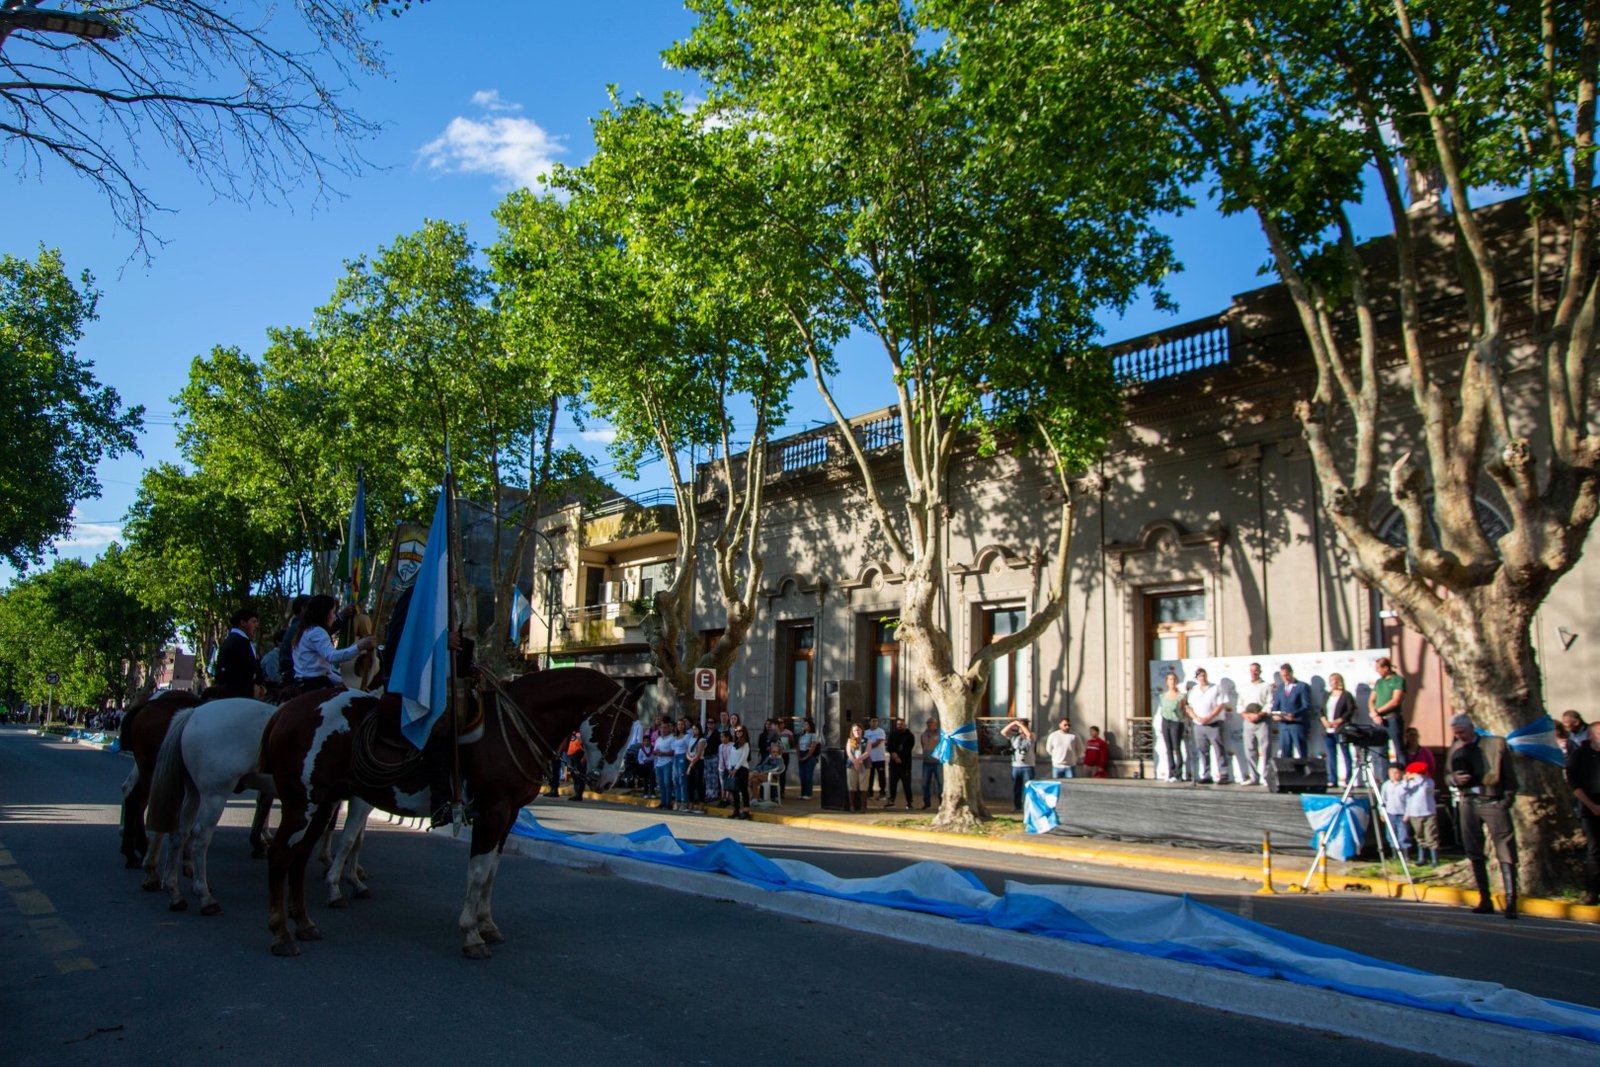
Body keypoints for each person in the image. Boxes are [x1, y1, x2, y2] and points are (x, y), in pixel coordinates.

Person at [1447, 713, 1519, 919]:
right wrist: (1454, 779)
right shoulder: (1455, 748)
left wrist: (1506, 800)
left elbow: (1509, 775)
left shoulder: (1495, 744)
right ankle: (1484, 898)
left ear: (1471, 728)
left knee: (1505, 849)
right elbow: (1447, 775)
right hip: (1468, 801)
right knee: (1474, 850)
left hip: (1492, 800)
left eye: (1462, 732)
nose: (1459, 736)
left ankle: (1511, 900)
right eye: (1456, 733)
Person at [290, 595, 375, 688]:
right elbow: (331, 656)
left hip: (304, 682)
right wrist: (359, 647)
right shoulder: (317, 631)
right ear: (325, 614)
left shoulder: (305, 630)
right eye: (333, 612)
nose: (334, 617)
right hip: (313, 684)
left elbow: (326, 671)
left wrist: (343, 682)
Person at [1565, 720, 1600, 905]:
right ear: (1591, 735)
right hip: (1591, 807)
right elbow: (1574, 784)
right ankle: (1592, 891)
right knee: (1594, 850)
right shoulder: (1580, 755)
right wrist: (1592, 806)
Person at [1185, 668, 1230, 784]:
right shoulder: (1193, 690)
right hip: (1198, 725)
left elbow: (1220, 705)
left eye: (1204, 675)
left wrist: (1209, 717)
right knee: (1203, 751)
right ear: (1197, 678)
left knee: (1219, 750)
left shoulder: (1216, 688)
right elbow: (1188, 707)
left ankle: (1223, 774)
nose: (1202, 677)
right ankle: (1206, 774)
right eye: (1200, 676)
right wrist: (1196, 718)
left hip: (1214, 724)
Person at [214, 606, 264, 699]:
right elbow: (251, 670)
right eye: (253, 622)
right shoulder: (242, 642)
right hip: (240, 695)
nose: (256, 625)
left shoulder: (229, 640)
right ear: (243, 623)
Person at [1237, 662, 1275, 786]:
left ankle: (1267, 777)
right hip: (1248, 721)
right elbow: (1240, 704)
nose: (1254, 672)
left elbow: (1270, 703)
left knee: (1266, 749)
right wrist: (1246, 715)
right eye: (1252, 670)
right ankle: (1253, 777)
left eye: (1256, 670)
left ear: (1260, 671)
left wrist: (1259, 715)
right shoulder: (1244, 687)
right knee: (1250, 750)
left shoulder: (1266, 686)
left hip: (1262, 721)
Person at [1320, 672, 1357, 787]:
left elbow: (1350, 710)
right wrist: (1324, 721)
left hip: (1341, 729)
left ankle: (1349, 779)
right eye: (1331, 681)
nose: (1332, 683)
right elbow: (1321, 710)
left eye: (1335, 680)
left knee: (1345, 753)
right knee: (1331, 755)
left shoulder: (1346, 695)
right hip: (1328, 730)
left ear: (1339, 681)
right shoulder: (1327, 695)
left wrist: (1340, 720)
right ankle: (1333, 779)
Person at [1370, 657, 1407, 763]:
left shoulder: (1398, 680)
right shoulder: (1379, 682)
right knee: (1380, 751)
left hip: (1392, 719)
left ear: (1386, 668)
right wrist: (1374, 713)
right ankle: (1384, 773)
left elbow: (1395, 701)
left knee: (1398, 749)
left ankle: (1401, 770)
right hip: (1379, 720)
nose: (1377, 670)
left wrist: (1377, 712)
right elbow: (1371, 700)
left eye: (1378, 668)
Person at [1403, 761, 1439, 867]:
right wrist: (1406, 780)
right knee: (1419, 836)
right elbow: (1404, 791)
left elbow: (1423, 787)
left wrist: (1416, 776)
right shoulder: (1410, 784)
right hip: (1414, 814)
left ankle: (1434, 859)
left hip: (1428, 813)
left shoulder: (1429, 782)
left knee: (1431, 836)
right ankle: (1421, 858)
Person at [1270, 663, 1310, 759]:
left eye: (1287, 675)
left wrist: (1294, 715)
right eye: (1283, 676)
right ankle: (1288, 769)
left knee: (1301, 751)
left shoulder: (1302, 686)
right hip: (1283, 725)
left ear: (1291, 673)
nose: (1285, 678)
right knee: (1285, 752)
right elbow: (1275, 706)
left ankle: (1303, 768)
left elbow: (1306, 706)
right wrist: (1274, 714)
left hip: (1297, 724)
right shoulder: (1280, 688)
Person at [1155, 671, 1187, 782]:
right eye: (1170, 679)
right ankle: (1171, 772)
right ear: (1167, 682)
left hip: (1176, 722)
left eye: (1173, 679)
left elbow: (1184, 711)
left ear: (1176, 681)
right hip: (1165, 722)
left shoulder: (1181, 696)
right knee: (1168, 748)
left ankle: (1178, 773)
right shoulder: (1163, 696)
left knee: (1176, 748)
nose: (1172, 681)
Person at [1000, 719, 1035, 811]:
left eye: (1022, 726)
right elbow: (1003, 732)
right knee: (1017, 788)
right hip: (1016, 766)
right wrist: (1014, 723)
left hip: (1028, 766)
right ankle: (1017, 806)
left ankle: (1029, 806)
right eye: (1019, 727)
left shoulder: (1031, 735)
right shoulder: (1015, 737)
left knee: (1029, 787)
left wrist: (1021, 725)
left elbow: (1029, 735)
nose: (1020, 728)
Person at [1379, 764, 1410, 854]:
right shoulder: (1386, 785)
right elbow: (1382, 800)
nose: (1393, 775)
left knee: (1403, 834)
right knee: (1390, 834)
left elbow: (1409, 800)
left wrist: (1407, 814)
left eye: (1396, 773)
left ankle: (1405, 853)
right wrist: (1382, 812)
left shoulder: (1405, 785)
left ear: (1401, 773)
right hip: (1390, 813)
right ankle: (1394, 853)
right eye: (1391, 773)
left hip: (1402, 814)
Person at [885, 717, 915, 810]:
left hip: (905, 764)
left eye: (901, 724)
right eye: (898, 724)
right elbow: (889, 746)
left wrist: (899, 757)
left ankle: (909, 802)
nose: (899, 726)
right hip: (893, 764)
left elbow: (908, 748)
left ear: (905, 725)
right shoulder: (892, 734)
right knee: (892, 783)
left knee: (906, 784)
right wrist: (894, 755)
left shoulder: (910, 736)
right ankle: (891, 801)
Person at [725, 724, 752, 820]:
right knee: (734, 790)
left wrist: (736, 769)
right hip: (733, 769)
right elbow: (730, 756)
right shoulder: (734, 744)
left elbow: (743, 758)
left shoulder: (746, 744)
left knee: (743, 790)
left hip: (742, 769)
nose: (738, 733)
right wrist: (729, 767)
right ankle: (736, 810)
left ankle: (746, 811)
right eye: (737, 731)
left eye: (740, 731)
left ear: (744, 733)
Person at [845, 723, 871, 813]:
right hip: (852, 765)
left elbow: (867, 752)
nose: (857, 732)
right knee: (852, 785)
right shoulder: (850, 741)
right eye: (855, 730)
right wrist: (855, 762)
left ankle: (863, 806)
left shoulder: (867, 741)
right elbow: (849, 753)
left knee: (864, 786)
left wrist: (858, 760)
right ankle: (852, 806)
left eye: (858, 730)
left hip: (864, 765)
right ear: (852, 732)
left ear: (862, 730)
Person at [652, 721, 677, 810]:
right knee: (661, 784)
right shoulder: (658, 739)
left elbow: (673, 751)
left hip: (668, 762)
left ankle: (668, 803)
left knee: (667, 783)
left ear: (669, 729)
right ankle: (662, 802)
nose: (663, 729)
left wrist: (663, 753)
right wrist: (657, 753)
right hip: (659, 763)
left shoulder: (672, 738)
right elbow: (654, 750)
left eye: (665, 728)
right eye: (662, 728)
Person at [919, 716, 943, 809]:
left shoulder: (940, 734)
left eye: (931, 723)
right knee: (925, 784)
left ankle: (942, 803)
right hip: (926, 762)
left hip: (938, 762)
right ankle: (926, 803)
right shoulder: (924, 734)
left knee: (940, 783)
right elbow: (923, 745)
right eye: (928, 723)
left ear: (935, 724)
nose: (929, 725)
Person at [795, 717, 820, 799]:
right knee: (802, 775)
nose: (805, 726)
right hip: (801, 754)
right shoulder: (801, 736)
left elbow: (812, 747)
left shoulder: (813, 735)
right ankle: (803, 793)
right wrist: (799, 756)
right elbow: (797, 746)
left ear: (810, 726)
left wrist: (806, 757)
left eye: (807, 724)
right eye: (804, 724)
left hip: (810, 756)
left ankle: (808, 794)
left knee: (808, 775)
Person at [864, 716, 888, 798]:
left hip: (879, 758)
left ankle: (882, 792)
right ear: (869, 722)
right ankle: (870, 792)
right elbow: (863, 742)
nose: (874, 723)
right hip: (869, 758)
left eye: (876, 721)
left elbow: (878, 742)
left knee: (881, 776)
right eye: (873, 721)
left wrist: (868, 746)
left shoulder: (881, 731)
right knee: (870, 776)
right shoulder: (866, 732)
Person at [562, 730, 587, 801]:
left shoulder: (582, 734)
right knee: (573, 775)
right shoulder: (572, 734)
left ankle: (579, 795)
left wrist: (584, 757)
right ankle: (576, 793)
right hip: (570, 755)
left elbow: (586, 747)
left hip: (578, 755)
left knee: (579, 775)